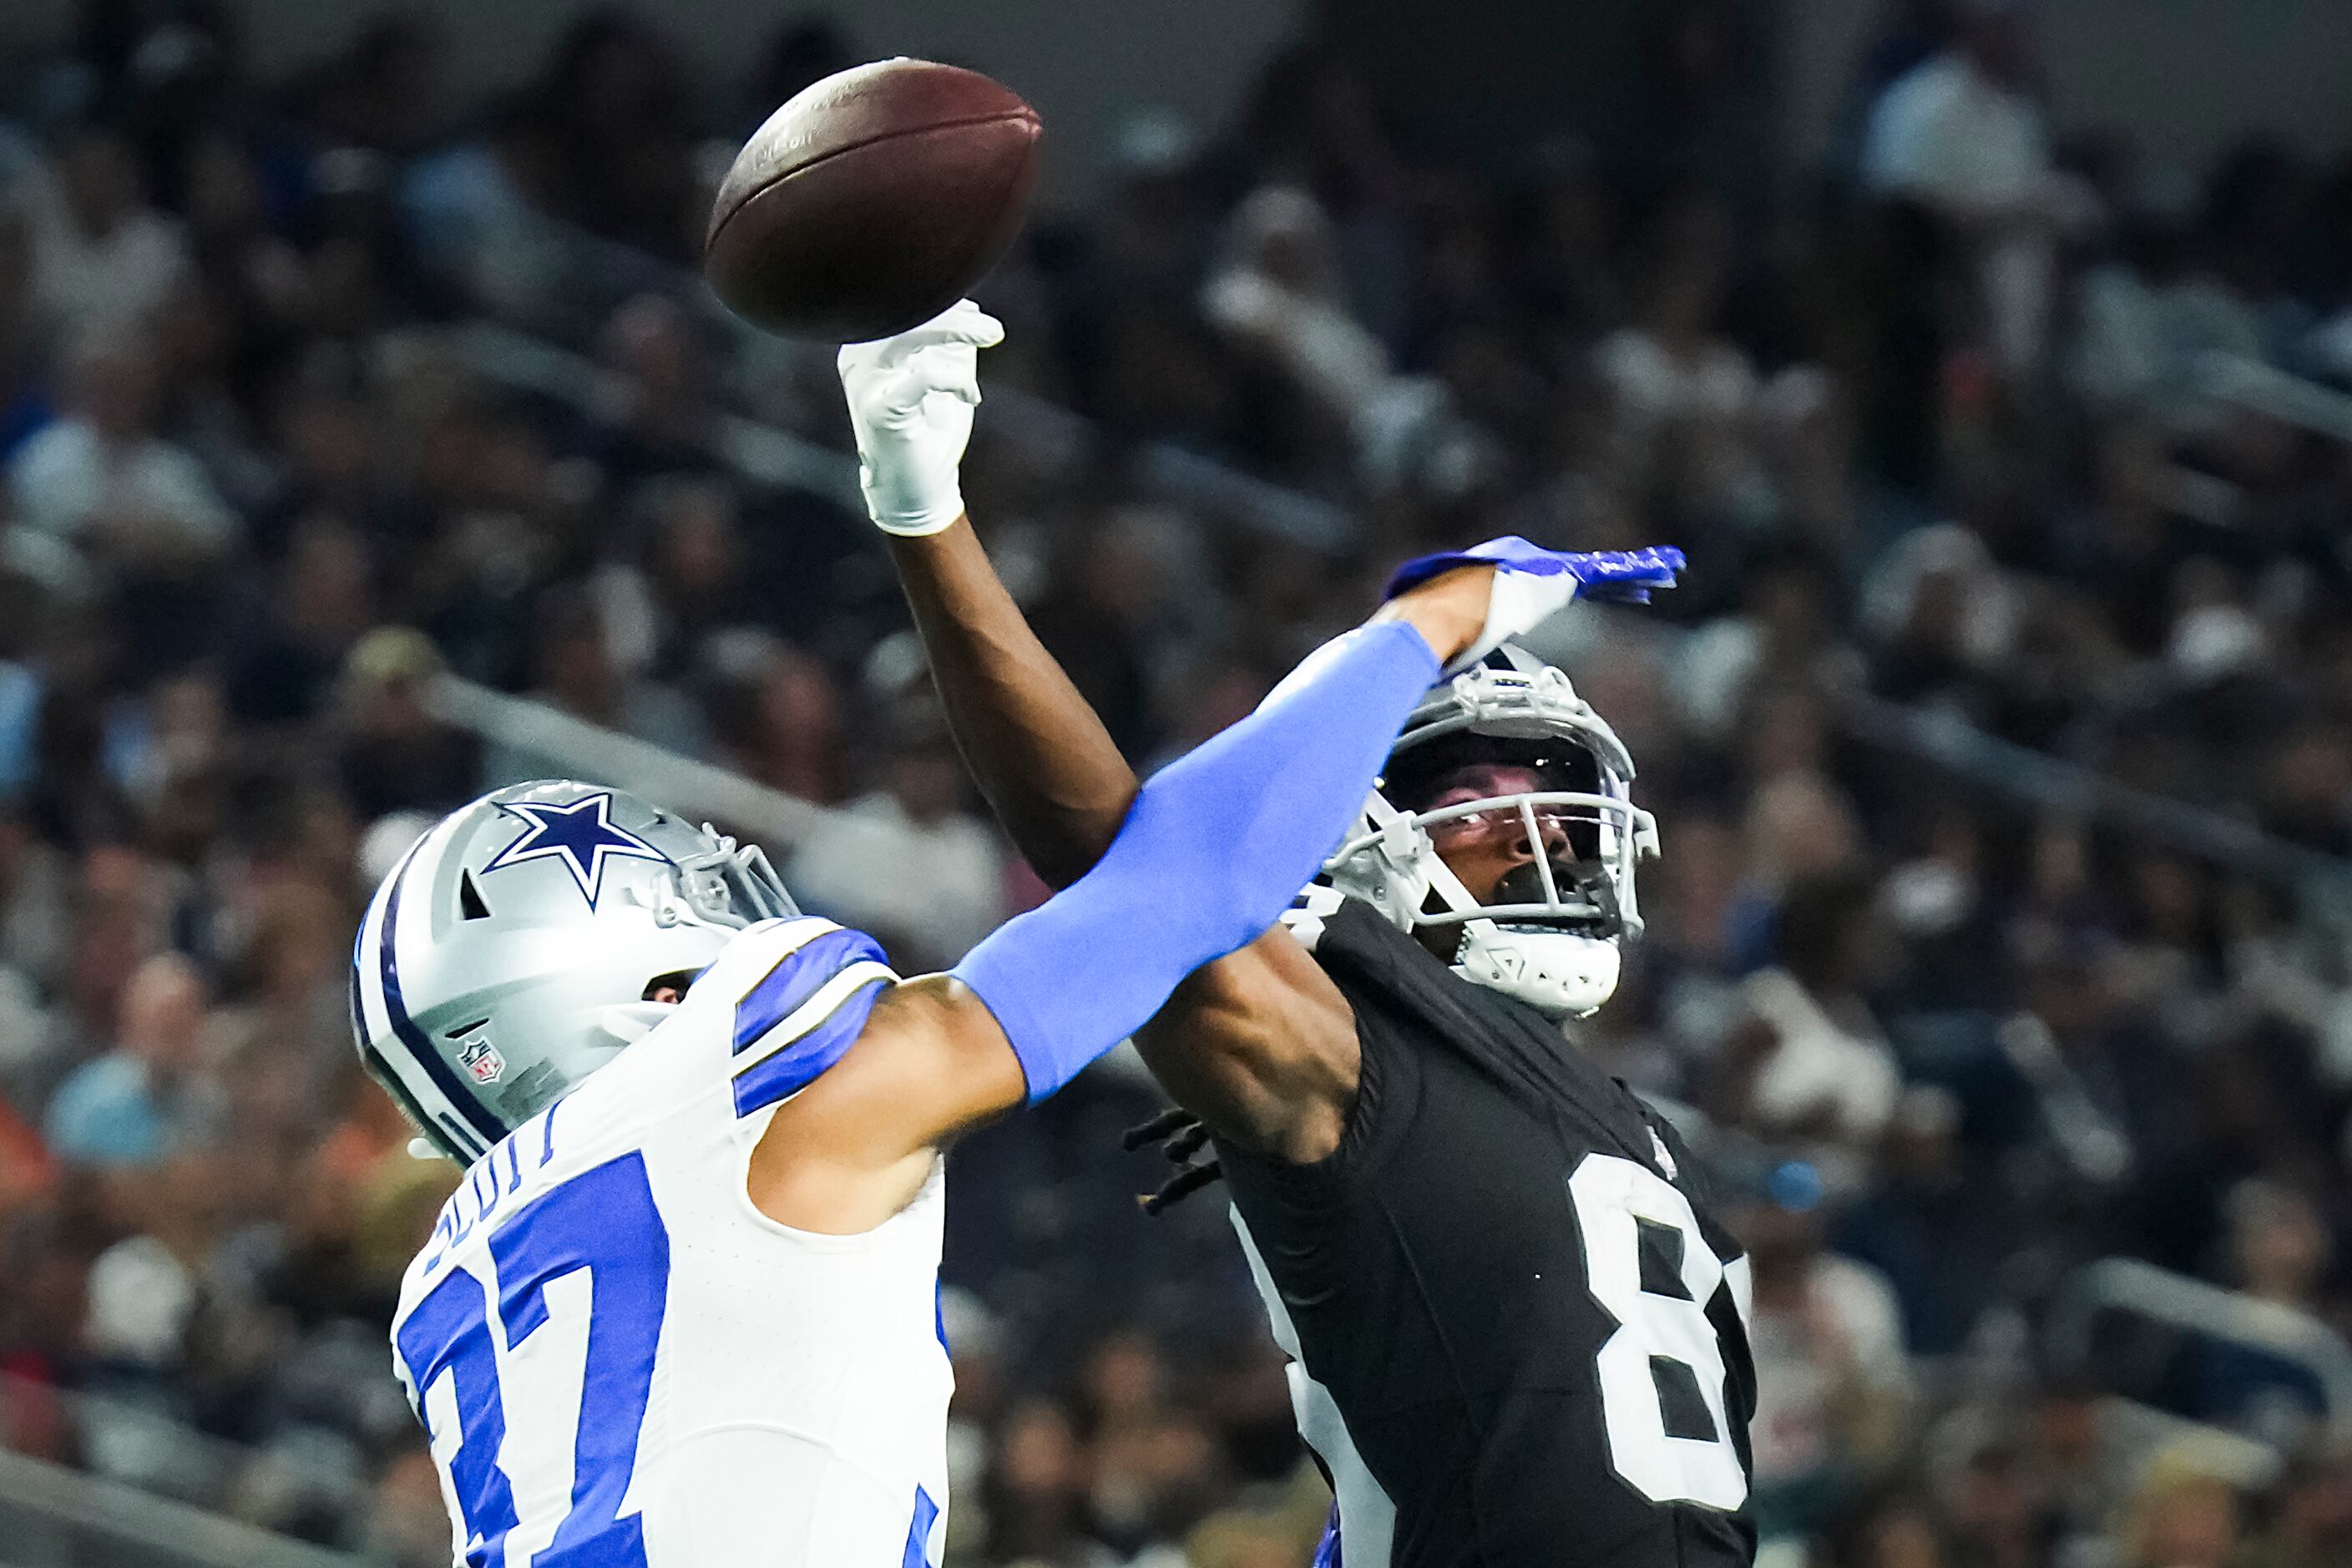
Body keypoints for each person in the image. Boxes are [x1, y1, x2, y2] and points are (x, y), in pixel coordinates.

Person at [357, 508, 1679, 1561]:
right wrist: (1435, 617)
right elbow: (1182, 884)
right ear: (613, 977)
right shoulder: (737, 1081)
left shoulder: (459, 1278)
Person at [844, 301, 1753, 1565]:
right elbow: (1120, 857)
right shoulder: (1350, 1045)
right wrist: (926, 517)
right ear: (1346, 835)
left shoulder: (1650, 1142)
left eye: (1545, 800)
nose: (1535, 835)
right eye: (1473, 804)